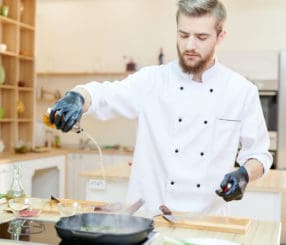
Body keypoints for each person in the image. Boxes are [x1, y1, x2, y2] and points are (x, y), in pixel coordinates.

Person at [49, 0, 272, 215]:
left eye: (201, 37)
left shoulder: (241, 91)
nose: (190, 45)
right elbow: (106, 94)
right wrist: (78, 96)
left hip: (208, 220)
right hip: (151, 218)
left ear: (220, 36)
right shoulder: (152, 81)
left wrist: (244, 174)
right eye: (183, 35)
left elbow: (259, 154)